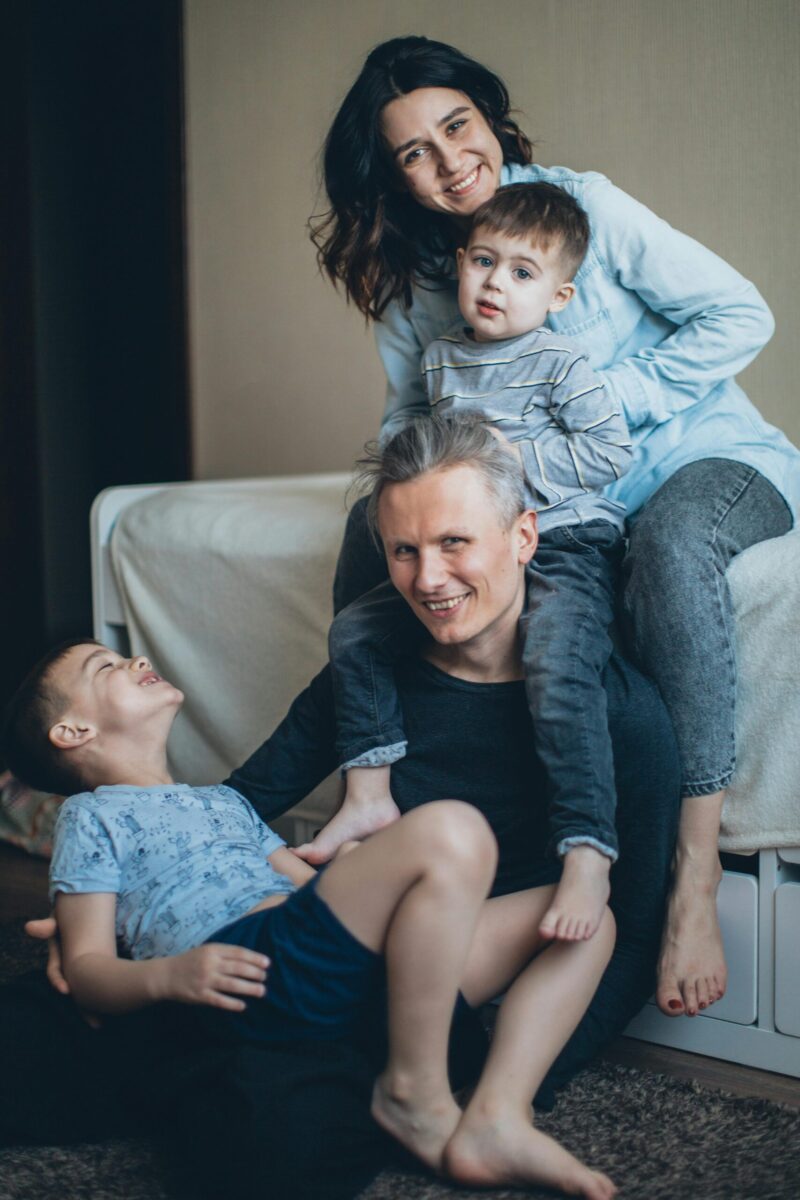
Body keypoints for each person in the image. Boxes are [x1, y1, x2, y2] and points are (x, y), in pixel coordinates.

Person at [310, 34, 800, 1018]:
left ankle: (693, 869)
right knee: (373, 527)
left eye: (458, 126)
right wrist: (448, 479)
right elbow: (409, 420)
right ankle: (386, 801)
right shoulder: (417, 282)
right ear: (393, 177)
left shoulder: (586, 209)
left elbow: (739, 313)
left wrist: (600, 403)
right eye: (414, 152)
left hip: (706, 460)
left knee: (669, 548)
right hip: (562, 506)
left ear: (489, 116)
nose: (451, 162)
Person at [2, 636, 619, 1197]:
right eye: (106, 666)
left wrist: (358, 874)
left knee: (584, 922)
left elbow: (307, 888)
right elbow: (86, 970)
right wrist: (170, 976)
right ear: (73, 730)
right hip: (259, 964)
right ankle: (416, 1096)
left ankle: (498, 1113)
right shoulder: (92, 817)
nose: (135, 659)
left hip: (335, 960)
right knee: (453, 830)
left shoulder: (225, 802)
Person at [304, 182, 632, 948]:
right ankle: (368, 793)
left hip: (563, 539)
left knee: (557, 661)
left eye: (522, 272)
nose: (495, 283)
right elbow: (420, 441)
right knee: (355, 631)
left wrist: (513, 464)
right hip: (471, 549)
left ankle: (587, 848)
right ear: (460, 264)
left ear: (558, 296)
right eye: (483, 262)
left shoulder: (561, 361)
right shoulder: (442, 358)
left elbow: (610, 452)